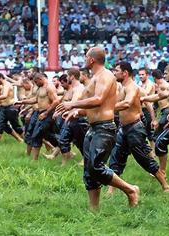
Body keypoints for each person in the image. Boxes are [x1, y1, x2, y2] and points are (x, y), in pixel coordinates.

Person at [56, 47, 139, 210]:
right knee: (89, 171)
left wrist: (72, 104)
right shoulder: (95, 77)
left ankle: (131, 190)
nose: (85, 59)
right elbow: (91, 107)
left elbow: (99, 100)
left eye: (86, 56)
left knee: (96, 166)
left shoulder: (106, 76)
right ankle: (94, 210)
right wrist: (77, 112)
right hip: (92, 127)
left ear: (92, 59)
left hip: (104, 128)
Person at [108, 62, 169, 193]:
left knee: (143, 158)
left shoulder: (132, 87)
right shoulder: (121, 87)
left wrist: (106, 108)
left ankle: (165, 185)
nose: (115, 73)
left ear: (125, 73)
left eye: (117, 71)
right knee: (116, 158)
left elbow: (127, 104)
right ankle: (111, 190)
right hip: (123, 128)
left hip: (134, 128)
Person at [142, 65, 169, 175]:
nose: (164, 75)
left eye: (166, 73)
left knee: (160, 143)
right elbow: (158, 97)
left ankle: (162, 172)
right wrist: (143, 98)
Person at [16, 72, 60, 160]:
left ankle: (34, 159)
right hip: (41, 113)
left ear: (40, 79)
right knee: (47, 135)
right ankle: (63, 148)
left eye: (36, 82)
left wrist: (46, 113)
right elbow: (36, 99)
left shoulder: (49, 87)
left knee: (37, 135)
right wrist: (22, 102)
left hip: (48, 114)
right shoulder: (40, 88)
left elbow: (56, 101)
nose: (35, 84)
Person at [0, 72, 23, 143]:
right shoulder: (3, 85)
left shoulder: (6, 85)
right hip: (4, 108)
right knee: (0, 125)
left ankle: (27, 141)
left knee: (17, 127)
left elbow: (4, 96)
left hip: (10, 108)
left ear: (0, 78)